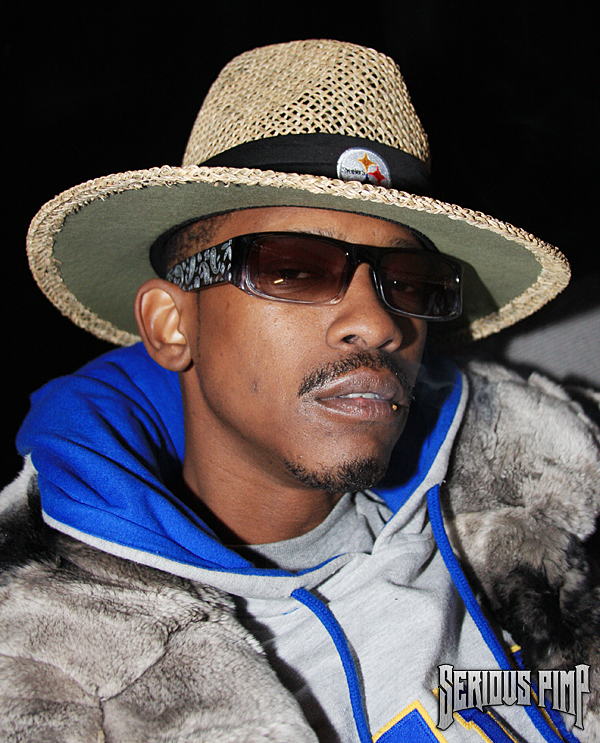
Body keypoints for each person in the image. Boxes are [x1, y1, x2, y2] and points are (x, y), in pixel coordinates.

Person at [1, 39, 599, 743]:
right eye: (293, 268)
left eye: (410, 282)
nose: (379, 323)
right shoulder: (54, 673)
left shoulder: (550, 493)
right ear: (172, 323)